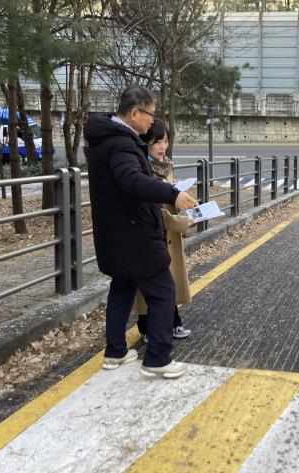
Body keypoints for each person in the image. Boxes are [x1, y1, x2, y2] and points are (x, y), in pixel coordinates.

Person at [84, 85, 198, 379]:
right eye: (150, 114)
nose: (152, 121)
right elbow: (132, 182)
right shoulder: (122, 144)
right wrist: (172, 194)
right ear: (134, 113)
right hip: (134, 233)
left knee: (122, 287)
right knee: (163, 291)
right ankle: (158, 358)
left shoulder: (104, 140)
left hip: (114, 232)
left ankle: (115, 352)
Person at [133, 121, 193, 341]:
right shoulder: (141, 170)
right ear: (146, 143)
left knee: (170, 281)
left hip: (169, 234)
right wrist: (179, 222)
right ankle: (146, 326)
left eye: (165, 141)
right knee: (153, 283)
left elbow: (169, 199)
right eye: (157, 142)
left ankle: (174, 322)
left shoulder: (166, 165)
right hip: (152, 232)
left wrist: (184, 204)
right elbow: (151, 209)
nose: (162, 146)